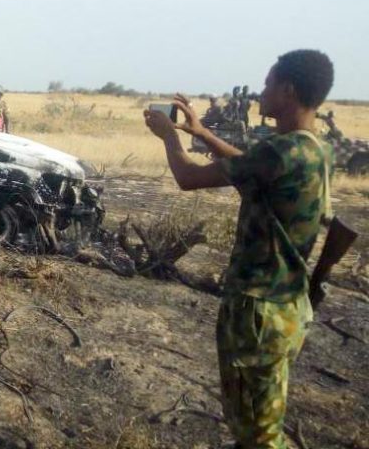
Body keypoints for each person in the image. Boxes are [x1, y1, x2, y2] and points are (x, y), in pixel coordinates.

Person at [143, 49, 334, 448]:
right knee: (256, 418)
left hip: (258, 311)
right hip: (287, 306)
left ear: (288, 90)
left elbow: (188, 178)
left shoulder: (279, 151)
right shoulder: (313, 148)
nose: (261, 92)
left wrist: (170, 137)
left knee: (259, 434)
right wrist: (202, 133)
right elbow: (252, 167)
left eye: (267, 84)